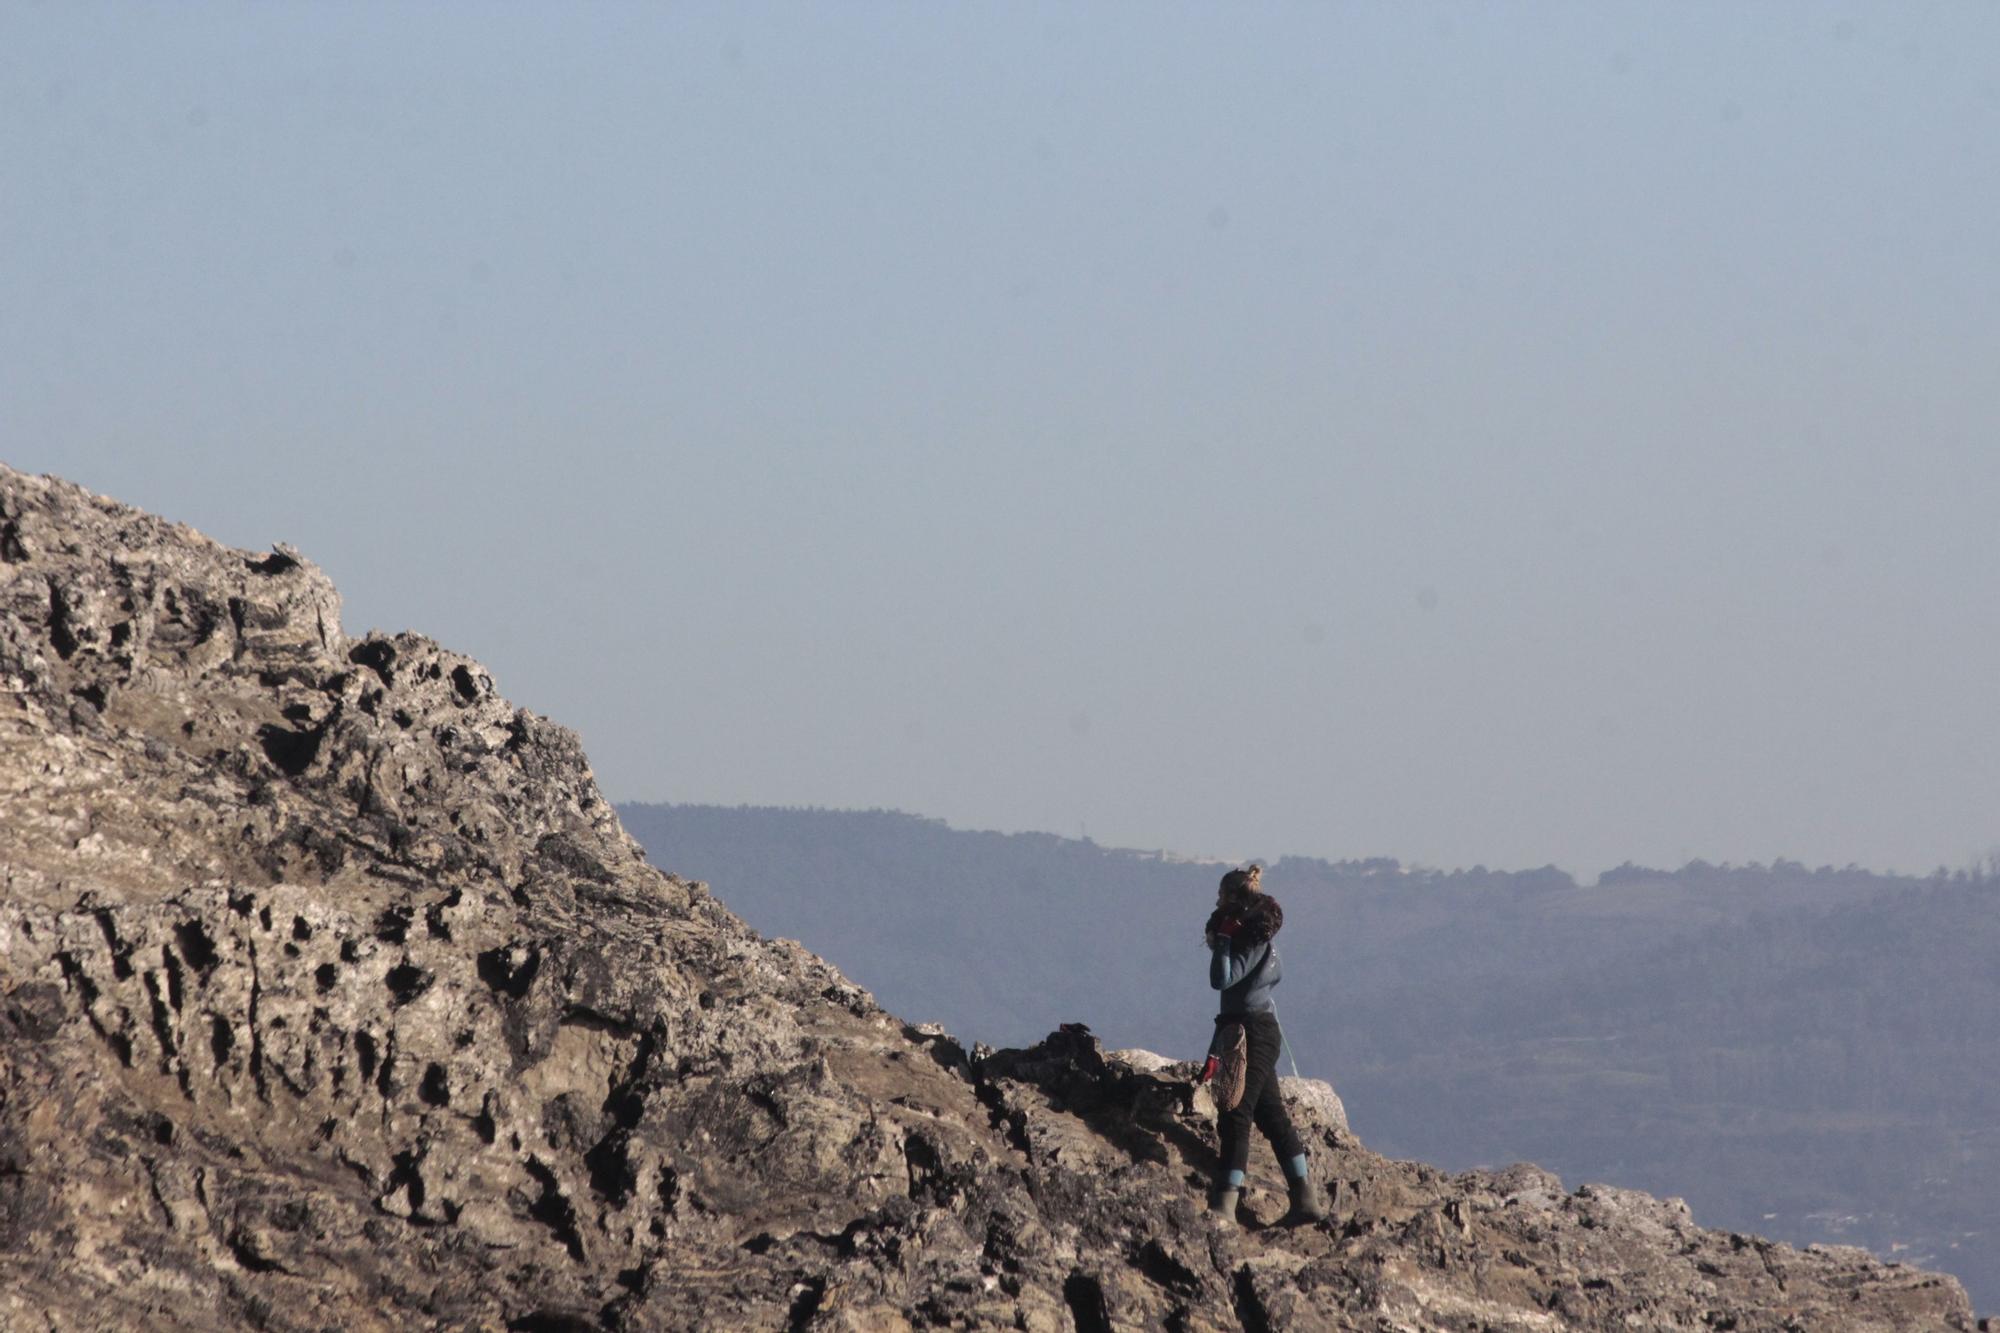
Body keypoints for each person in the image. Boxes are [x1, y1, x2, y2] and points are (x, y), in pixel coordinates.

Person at [1200, 864, 1328, 1226]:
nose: (1217, 901)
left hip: (1252, 1032)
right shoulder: (1258, 939)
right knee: (1271, 1116)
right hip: (1253, 1030)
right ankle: (1306, 1202)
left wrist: (1223, 940)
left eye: (1222, 896)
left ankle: (1225, 1205)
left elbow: (1221, 980)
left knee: (1235, 1113)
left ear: (1234, 899)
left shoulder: (1248, 941)